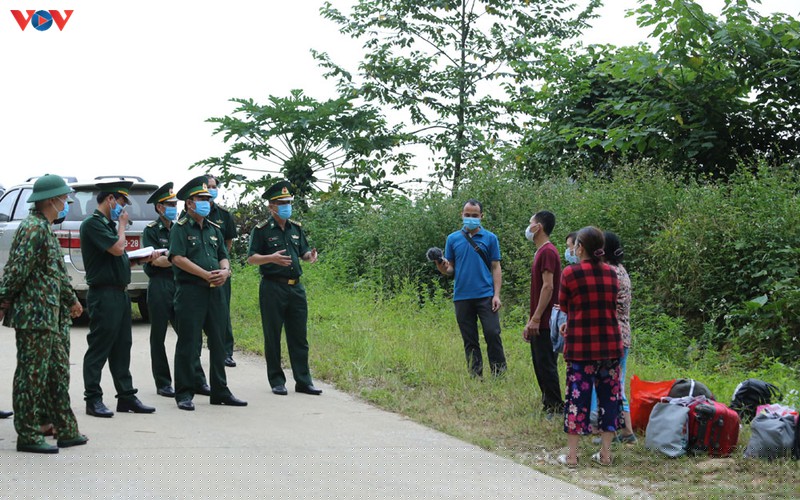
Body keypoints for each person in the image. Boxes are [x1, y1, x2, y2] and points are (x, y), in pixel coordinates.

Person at [0, 174, 87, 453]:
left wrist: (71, 299)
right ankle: (27, 434)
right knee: (31, 376)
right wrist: (2, 301)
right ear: (51, 200)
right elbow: (16, 270)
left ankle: (63, 428)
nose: (66, 203)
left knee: (55, 372)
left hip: (49, 313)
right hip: (34, 314)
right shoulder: (33, 228)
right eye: (64, 198)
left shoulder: (44, 228)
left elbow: (56, 272)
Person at [169, 176, 246, 410]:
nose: (206, 202)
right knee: (189, 343)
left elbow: (224, 254)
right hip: (191, 292)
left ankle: (220, 390)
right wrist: (204, 274)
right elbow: (177, 258)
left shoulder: (214, 229)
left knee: (219, 342)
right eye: (201, 198)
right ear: (189, 203)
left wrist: (225, 271)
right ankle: (184, 393)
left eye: (207, 198)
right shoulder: (180, 228)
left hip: (216, 292)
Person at [81, 181, 155, 418]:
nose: (123, 210)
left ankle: (126, 396)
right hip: (104, 295)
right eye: (122, 203)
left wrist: (140, 259)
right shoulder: (93, 224)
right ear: (110, 199)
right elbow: (116, 249)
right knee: (99, 347)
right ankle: (93, 399)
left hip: (119, 293)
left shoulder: (108, 226)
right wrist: (122, 226)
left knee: (122, 347)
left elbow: (116, 258)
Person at [247, 180, 321, 396]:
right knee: (273, 335)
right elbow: (251, 258)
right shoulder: (261, 230)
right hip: (273, 287)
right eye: (282, 203)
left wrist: (310, 256)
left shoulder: (296, 228)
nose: (286, 206)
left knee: (299, 336)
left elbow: (303, 252)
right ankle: (277, 380)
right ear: (271, 206)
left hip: (296, 288)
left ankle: (303, 381)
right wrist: (270, 258)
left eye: (288, 202)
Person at [557, 226, 623, 468]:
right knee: (610, 399)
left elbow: (565, 306)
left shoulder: (570, 273)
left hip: (581, 347)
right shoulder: (612, 274)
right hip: (610, 345)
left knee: (577, 399)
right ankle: (605, 455)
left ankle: (572, 456)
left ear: (580, 247)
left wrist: (571, 322)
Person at [436, 199, 506, 378]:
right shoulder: (452, 239)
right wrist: (442, 268)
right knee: (469, 338)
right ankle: (476, 375)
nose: (471, 218)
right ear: (462, 215)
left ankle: (499, 374)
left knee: (492, 333)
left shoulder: (490, 238)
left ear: (481, 216)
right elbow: (450, 269)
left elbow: (496, 267)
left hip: (486, 295)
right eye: (467, 215)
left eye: (475, 215)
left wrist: (496, 295)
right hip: (462, 296)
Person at [589, 231, 636, 444]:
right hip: (621, 334)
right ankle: (624, 431)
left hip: (611, 336)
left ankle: (622, 431)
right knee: (617, 382)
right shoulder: (620, 270)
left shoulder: (610, 273)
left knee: (611, 384)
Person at [522, 211, 563, 418]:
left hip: (546, 321)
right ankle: (548, 404)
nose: (528, 227)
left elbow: (548, 287)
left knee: (546, 364)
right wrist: (531, 320)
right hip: (540, 319)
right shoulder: (541, 252)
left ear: (538, 227)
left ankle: (555, 407)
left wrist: (537, 318)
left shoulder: (548, 252)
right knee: (540, 363)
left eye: (531, 223)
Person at [142, 182, 179, 398]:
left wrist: (171, 258)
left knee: (188, 334)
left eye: (175, 204)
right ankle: (163, 382)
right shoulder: (151, 231)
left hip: (179, 284)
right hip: (159, 284)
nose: (174, 207)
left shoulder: (180, 228)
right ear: (159, 207)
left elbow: (169, 259)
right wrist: (180, 259)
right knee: (158, 336)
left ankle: (194, 378)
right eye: (170, 204)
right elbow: (156, 261)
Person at [205, 175, 238, 368]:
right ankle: (207, 349)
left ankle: (226, 352)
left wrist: (222, 264)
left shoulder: (224, 215)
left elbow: (228, 242)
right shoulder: (187, 214)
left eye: (214, 186)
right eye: (208, 186)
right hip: (199, 273)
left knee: (223, 311)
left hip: (221, 271)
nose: (212, 189)